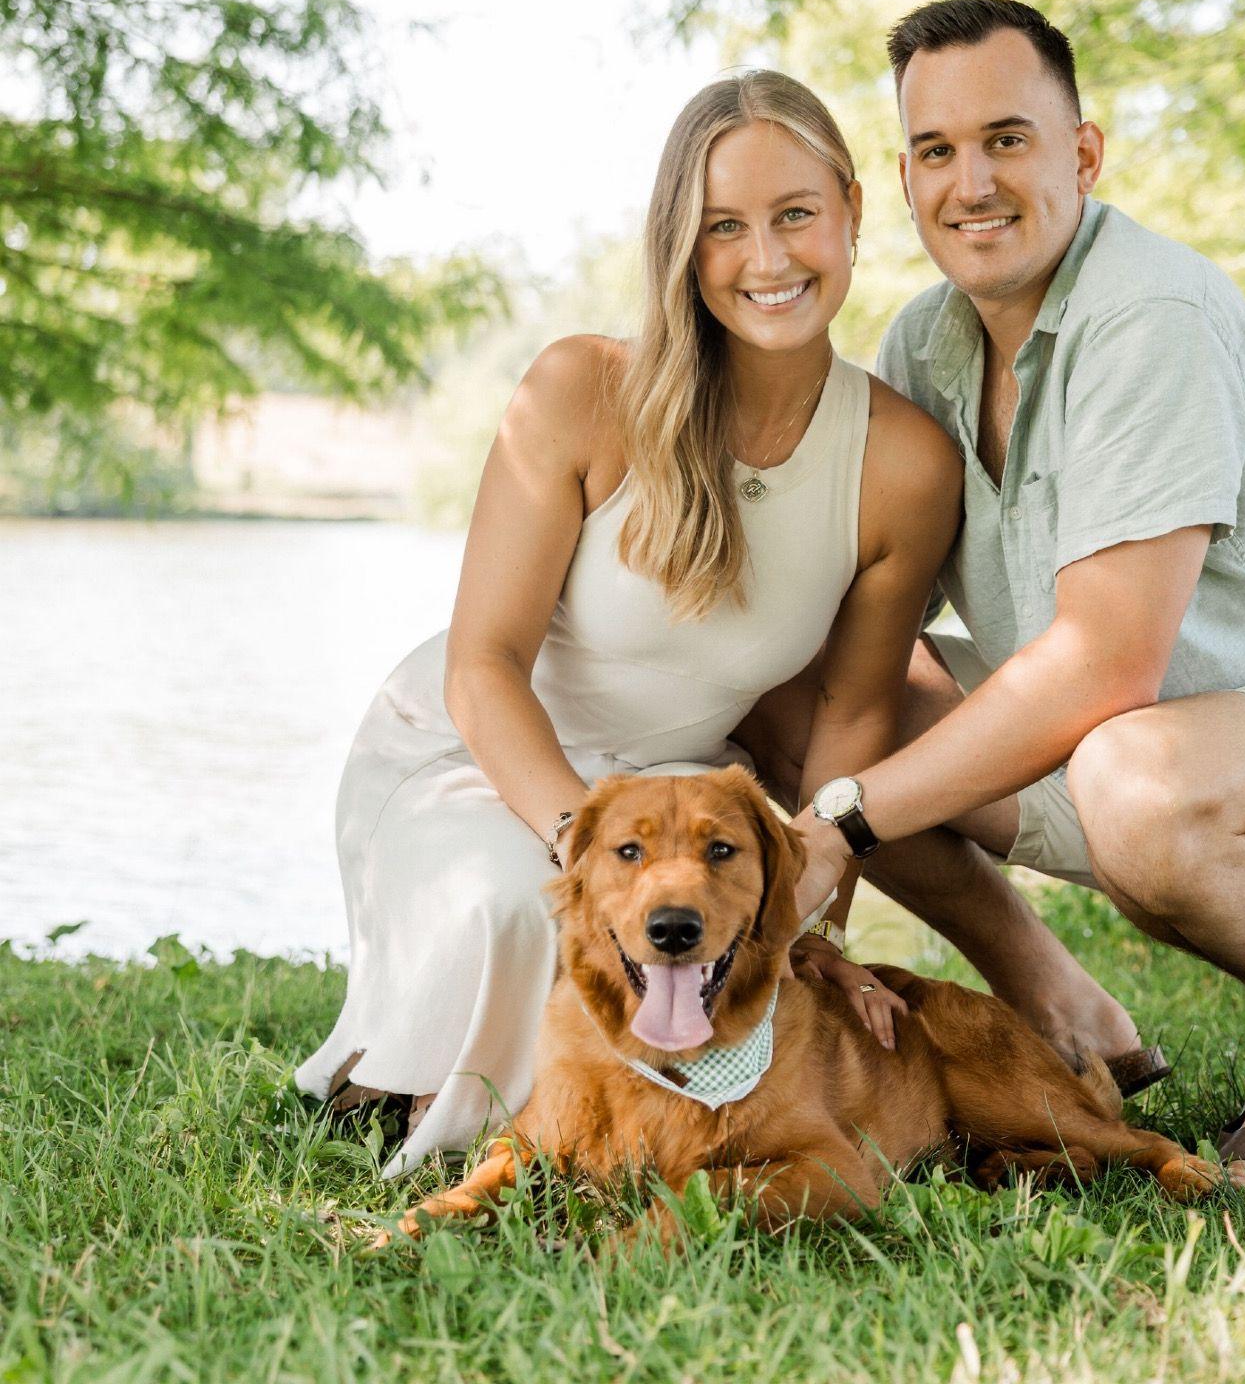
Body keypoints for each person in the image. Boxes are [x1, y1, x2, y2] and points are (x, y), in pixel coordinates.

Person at [759, 0, 1245, 1188]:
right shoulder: (924, 348)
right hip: (1122, 751)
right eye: (937, 151)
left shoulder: (1148, 314)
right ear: (902, 177)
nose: (972, 182)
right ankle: (1055, 998)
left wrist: (844, 820)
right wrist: (815, 932)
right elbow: (861, 651)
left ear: (1083, 154)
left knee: (1130, 773)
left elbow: (1106, 666)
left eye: (1008, 139)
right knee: (794, 680)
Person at [296, 69, 959, 1176]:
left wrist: (806, 936)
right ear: (679, 246)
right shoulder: (580, 390)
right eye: (722, 228)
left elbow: (852, 714)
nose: (768, 258)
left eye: (796, 213)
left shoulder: (904, 462)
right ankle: (422, 1089)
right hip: (478, 756)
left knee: (674, 932)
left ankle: (519, 1103)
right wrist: (578, 847)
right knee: (519, 907)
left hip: (679, 792)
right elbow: (484, 668)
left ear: (851, 206)